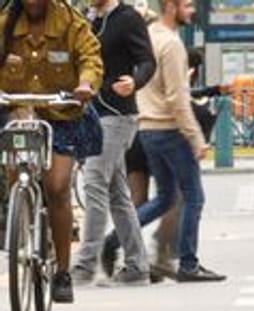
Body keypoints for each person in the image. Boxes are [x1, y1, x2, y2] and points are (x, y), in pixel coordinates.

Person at [0, 0, 103, 304]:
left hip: (61, 117)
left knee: (57, 187)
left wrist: (85, 84)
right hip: (19, 112)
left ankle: (62, 272)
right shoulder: (6, 23)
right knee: (16, 172)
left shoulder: (71, 23)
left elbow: (90, 58)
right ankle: (21, 213)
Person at [132, 0, 222, 282]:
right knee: (193, 196)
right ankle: (188, 263)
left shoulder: (149, 37)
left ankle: (114, 240)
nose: (193, 10)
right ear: (170, 7)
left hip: (147, 127)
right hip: (169, 128)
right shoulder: (171, 45)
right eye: (188, 5)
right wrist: (196, 138)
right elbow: (177, 98)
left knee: (164, 197)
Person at [71, 0, 155, 287]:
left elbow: (147, 60)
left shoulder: (127, 18)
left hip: (118, 115)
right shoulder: (86, 18)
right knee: (118, 195)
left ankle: (84, 265)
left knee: (94, 182)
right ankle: (137, 266)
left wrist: (135, 80)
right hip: (91, 114)